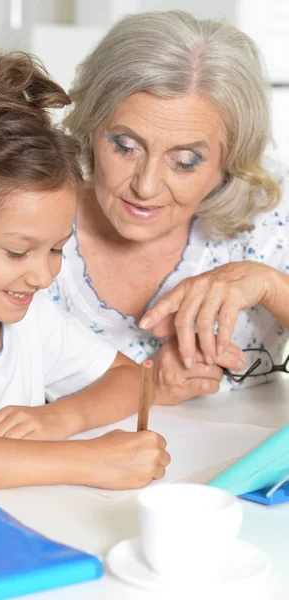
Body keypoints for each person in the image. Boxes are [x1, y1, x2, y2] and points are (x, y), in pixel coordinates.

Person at [0, 49, 170, 490]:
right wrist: (87, 462)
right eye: (18, 253)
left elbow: (133, 381)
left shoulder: (29, 318)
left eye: (57, 249)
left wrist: (62, 415)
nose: (42, 276)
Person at [46, 10, 289, 402]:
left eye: (185, 161)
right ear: (91, 128)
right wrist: (145, 388)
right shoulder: (32, 220)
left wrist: (269, 285)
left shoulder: (268, 208)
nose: (145, 185)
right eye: (124, 146)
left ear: (230, 163)